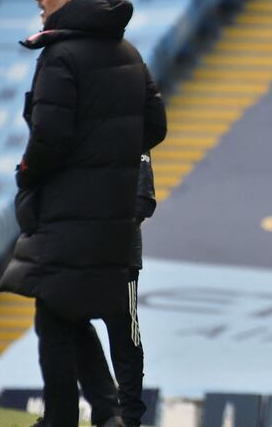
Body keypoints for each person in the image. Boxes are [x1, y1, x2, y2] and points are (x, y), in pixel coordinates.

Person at [0, 0, 167, 426]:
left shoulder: (61, 55)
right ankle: (109, 415)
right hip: (112, 220)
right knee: (66, 314)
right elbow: (155, 126)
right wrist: (108, 155)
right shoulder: (128, 55)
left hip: (68, 214)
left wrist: (26, 178)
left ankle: (63, 419)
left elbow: (48, 140)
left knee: (53, 319)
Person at [102, 151, 157, 427]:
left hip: (120, 259)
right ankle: (57, 415)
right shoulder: (81, 128)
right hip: (76, 257)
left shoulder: (134, 135)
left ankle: (130, 417)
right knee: (64, 333)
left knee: (125, 338)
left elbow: (143, 202)